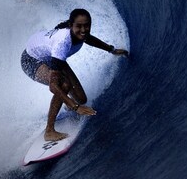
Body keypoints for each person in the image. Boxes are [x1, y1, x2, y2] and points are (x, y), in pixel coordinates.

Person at [21, 9, 128, 141]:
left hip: (50, 56)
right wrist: (75, 107)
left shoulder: (79, 34)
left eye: (87, 25)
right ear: (71, 25)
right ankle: (49, 131)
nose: (83, 30)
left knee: (81, 99)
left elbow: (89, 39)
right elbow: (53, 86)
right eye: (79, 26)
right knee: (63, 85)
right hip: (31, 60)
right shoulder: (63, 44)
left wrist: (112, 50)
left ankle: (67, 104)